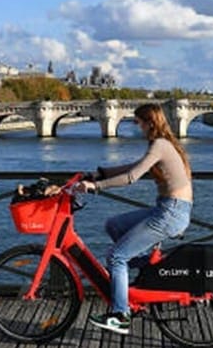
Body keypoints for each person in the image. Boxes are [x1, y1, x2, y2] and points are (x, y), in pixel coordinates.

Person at [75, 103, 193, 335]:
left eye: (138, 122)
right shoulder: (162, 144)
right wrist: (102, 172)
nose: (136, 126)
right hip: (167, 208)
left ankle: (120, 315)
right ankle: (144, 271)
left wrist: (95, 186)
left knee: (116, 256)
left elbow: (131, 177)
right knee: (114, 225)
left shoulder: (160, 145)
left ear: (150, 122)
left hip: (171, 212)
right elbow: (134, 167)